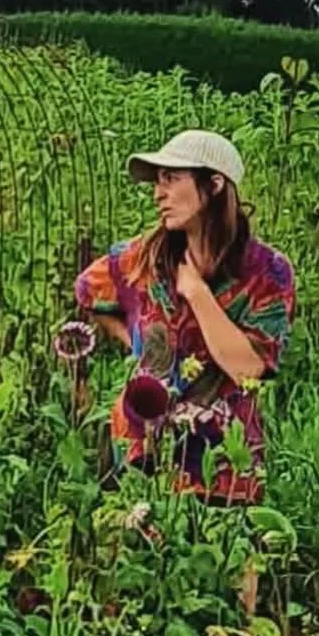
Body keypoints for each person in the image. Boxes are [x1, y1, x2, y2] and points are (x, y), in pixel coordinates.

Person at [75, 129, 294, 504]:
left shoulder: (267, 273)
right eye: (158, 181)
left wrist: (196, 292)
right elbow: (87, 292)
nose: (158, 193)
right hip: (141, 452)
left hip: (222, 460)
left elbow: (248, 369)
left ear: (214, 185)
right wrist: (139, 343)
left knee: (220, 558)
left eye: (172, 179)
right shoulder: (140, 258)